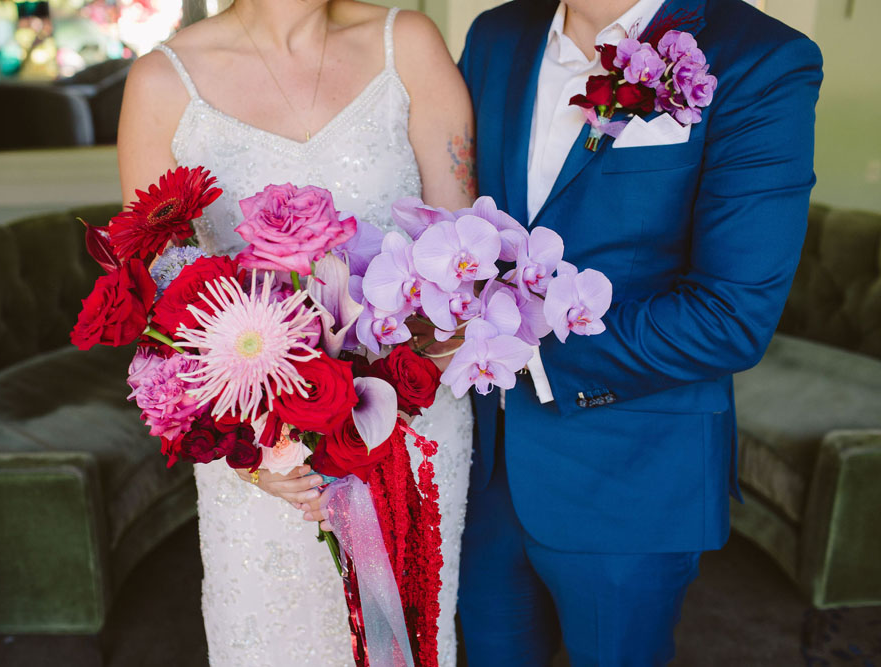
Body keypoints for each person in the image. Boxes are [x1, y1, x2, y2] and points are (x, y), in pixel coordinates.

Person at [456, 0, 822, 664]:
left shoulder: (761, 58)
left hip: (630, 475)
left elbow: (729, 318)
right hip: (482, 467)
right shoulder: (495, 35)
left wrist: (520, 346)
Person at [116, 1, 475, 664]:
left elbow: (462, 264)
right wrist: (260, 449)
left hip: (410, 426)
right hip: (260, 452)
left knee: (406, 638)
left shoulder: (409, 45)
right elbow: (162, 307)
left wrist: (380, 378)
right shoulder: (163, 82)